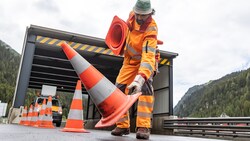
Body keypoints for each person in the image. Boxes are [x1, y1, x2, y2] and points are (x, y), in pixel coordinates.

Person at [111, 0, 159, 139]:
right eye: (137, 14)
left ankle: (143, 126)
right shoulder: (132, 16)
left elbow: (148, 56)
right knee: (118, 88)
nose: (139, 18)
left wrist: (140, 79)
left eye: (142, 16)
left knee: (146, 88)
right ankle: (122, 125)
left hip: (145, 61)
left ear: (150, 13)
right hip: (130, 61)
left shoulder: (151, 28)